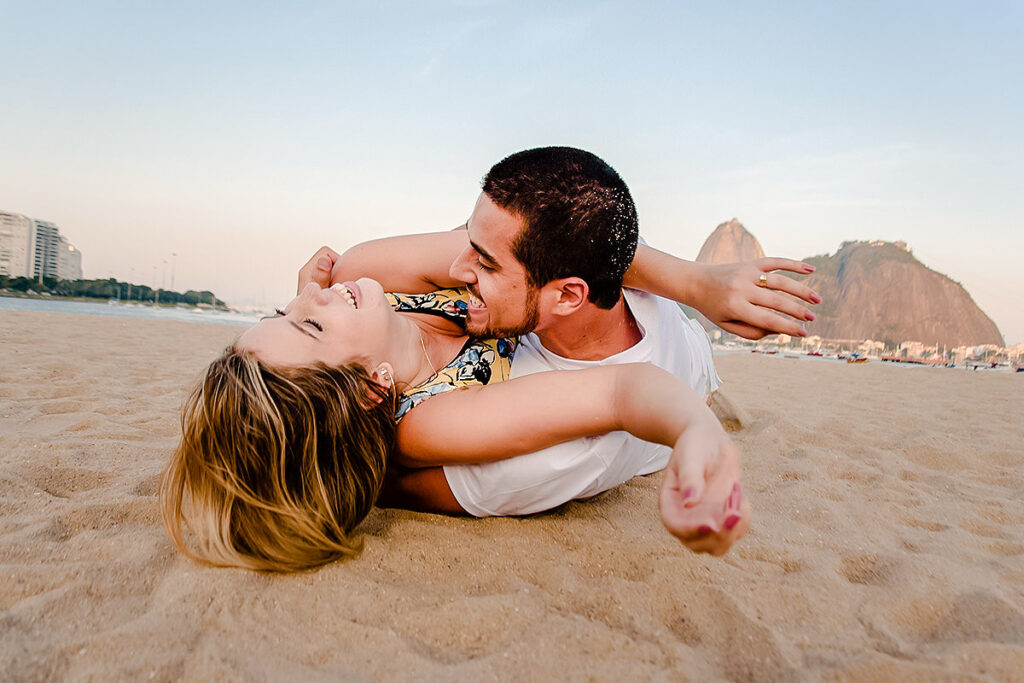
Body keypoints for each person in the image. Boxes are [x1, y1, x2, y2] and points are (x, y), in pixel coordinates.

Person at [321, 147, 818, 525]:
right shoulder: (596, 257)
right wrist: (694, 282)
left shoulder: (567, 450)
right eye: (468, 241)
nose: (456, 267)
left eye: (484, 262)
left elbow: (374, 479)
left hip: (693, 379)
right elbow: (605, 231)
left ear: (566, 296)